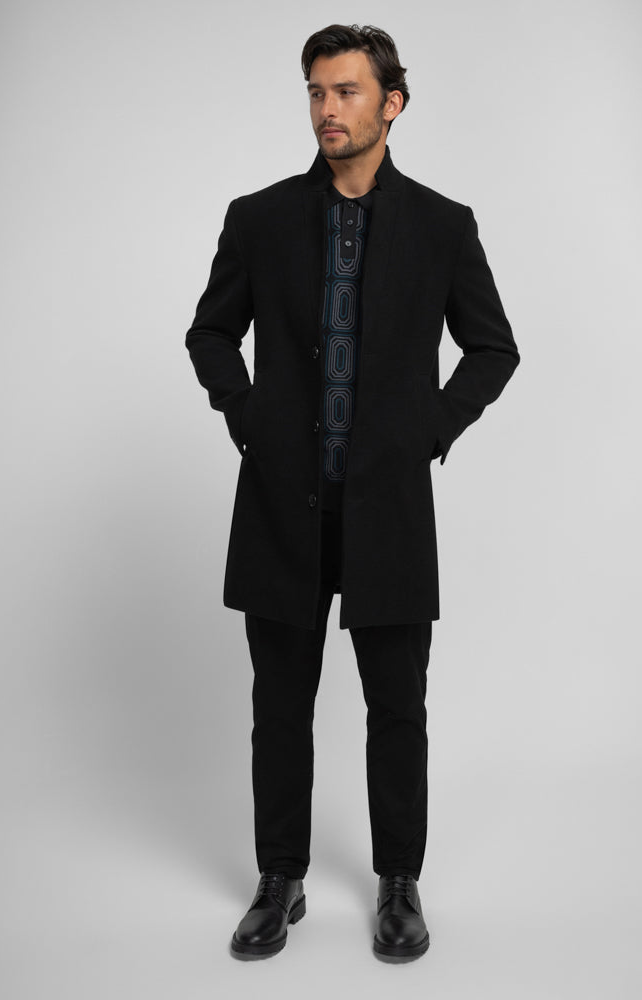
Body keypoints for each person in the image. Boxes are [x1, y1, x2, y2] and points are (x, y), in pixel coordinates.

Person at [185, 23, 519, 961]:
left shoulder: (444, 226)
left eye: (346, 92)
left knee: (397, 709)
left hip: (389, 511)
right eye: (316, 92)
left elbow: (493, 348)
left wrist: (431, 430)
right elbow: (210, 333)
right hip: (281, 505)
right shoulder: (259, 218)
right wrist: (247, 416)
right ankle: (279, 877)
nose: (327, 109)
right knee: (280, 708)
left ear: (392, 104)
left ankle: (399, 882)